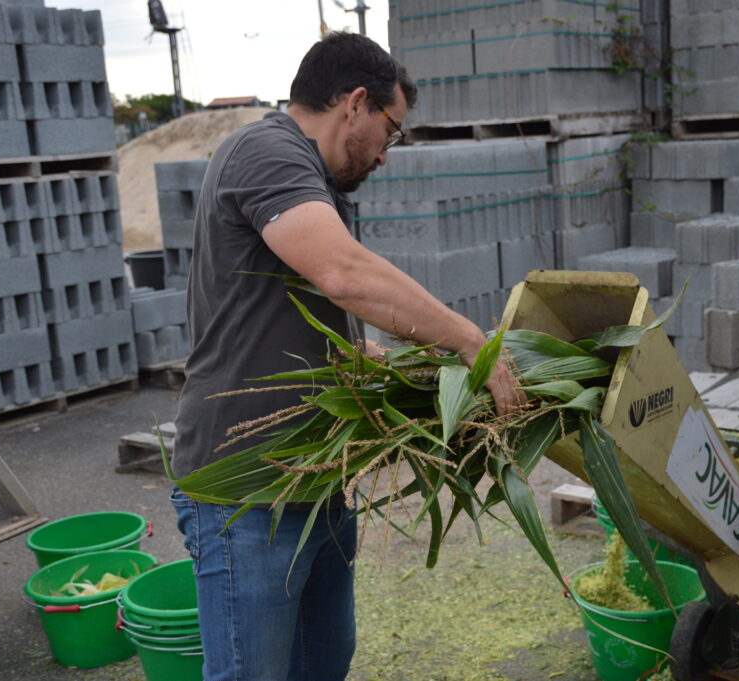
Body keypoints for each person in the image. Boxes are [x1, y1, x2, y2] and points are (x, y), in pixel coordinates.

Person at [170, 32, 527, 681]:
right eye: (391, 130)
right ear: (356, 103)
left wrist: (368, 358)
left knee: (324, 662)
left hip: (315, 478)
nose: (387, 154)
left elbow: (280, 307)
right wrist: (470, 340)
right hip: (246, 490)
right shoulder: (267, 150)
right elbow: (342, 273)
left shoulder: (308, 180)